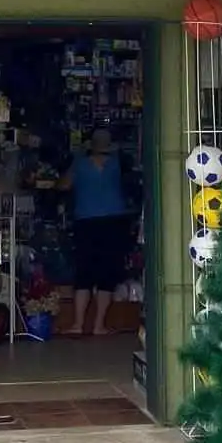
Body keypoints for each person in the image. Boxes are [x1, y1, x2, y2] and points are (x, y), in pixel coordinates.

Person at [59, 128, 135, 337]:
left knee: (84, 273)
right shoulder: (119, 163)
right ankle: (98, 325)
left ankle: (78, 324)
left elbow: (63, 185)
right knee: (106, 274)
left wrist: (76, 159)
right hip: (113, 221)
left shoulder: (80, 163)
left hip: (86, 221)